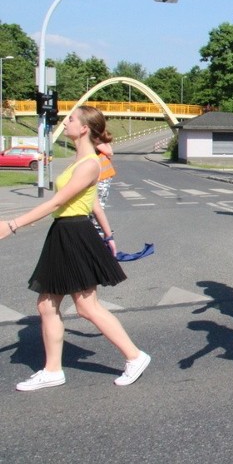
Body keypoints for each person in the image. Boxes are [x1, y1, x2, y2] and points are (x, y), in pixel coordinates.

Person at [1, 106, 150, 390]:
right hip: (64, 232)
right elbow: (92, 201)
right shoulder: (78, 161)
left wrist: (12, 225)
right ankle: (53, 370)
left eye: (70, 119)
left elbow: (58, 203)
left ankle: (135, 356)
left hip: (75, 234)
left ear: (83, 128)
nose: (65, 122)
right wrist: (109, 234)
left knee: (86, 306)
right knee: (46, 304)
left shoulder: (90, 163)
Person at [90, 141, 116, 237]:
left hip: (103, 175)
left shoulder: (97, 140)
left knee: (99, 201)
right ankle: (95, 225)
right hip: (101, 176)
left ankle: (95, 225)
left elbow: (110, 152)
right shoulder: (97, 140)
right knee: (99, 201)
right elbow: (109, 152)